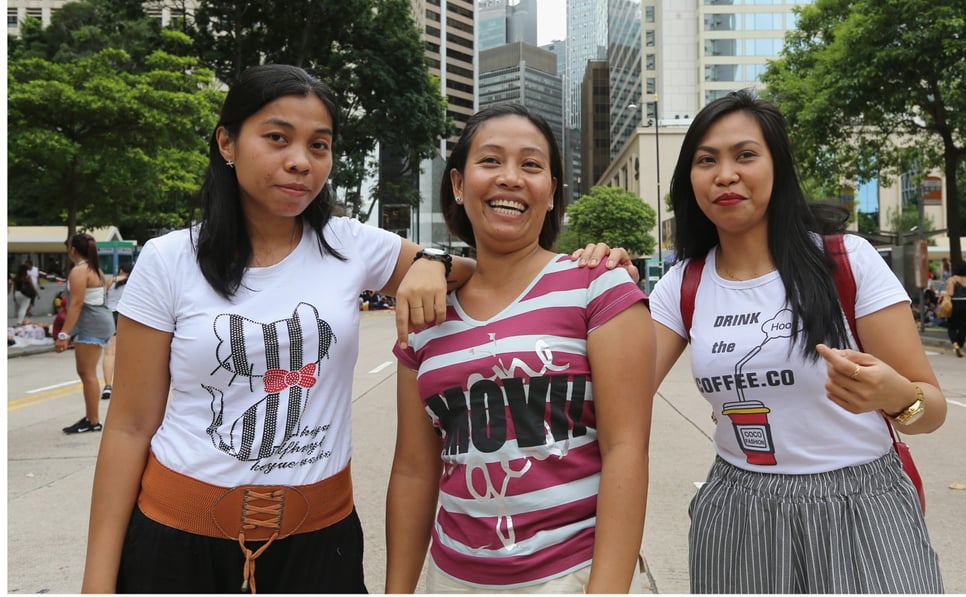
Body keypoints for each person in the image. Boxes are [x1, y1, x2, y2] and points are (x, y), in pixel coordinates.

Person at [79, 65, 625, 594]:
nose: (300, 161)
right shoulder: (168, 260)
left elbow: (486, 272)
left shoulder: (349, 244)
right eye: (277, 138)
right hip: (176, 541)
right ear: (227, 142)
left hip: (318, 544)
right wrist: (96, 584)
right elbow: (129, 427)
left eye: (319, 145)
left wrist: (435, 262)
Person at [648, 90, 946, 593]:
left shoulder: (847, 261)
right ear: (690, 179)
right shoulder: (681, 285)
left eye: (745, 155)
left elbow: (931, 410)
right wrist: (601, 282)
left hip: (864, 508)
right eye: (706, 160)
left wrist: (895, 395)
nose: (725, 174)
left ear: (777, 166)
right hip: (738, 515)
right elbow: (620, 392)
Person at [385, 104, 655, 594]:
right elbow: (413, 471)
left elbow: (626, 452)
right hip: (452, 579)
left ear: (551, 192)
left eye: (530, 165)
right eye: (490, 161)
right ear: (458, 184)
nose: (510, 177)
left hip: (569, 576)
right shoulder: (426, 317)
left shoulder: (598, 287)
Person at [57, 233, 116, 434]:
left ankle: (93, 421)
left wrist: (63, 334)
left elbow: (76, 304)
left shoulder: (80, 270)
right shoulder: (95, 269)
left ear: (72, 249)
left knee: (87, 373)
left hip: (90, 325)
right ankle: (91, 417)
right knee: (87, 373)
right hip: (100, 322)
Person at [99, 263, 132, 400]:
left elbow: (102, 296)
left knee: (109, 353)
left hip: (110, 315)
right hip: (126, 317)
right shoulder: (133, 282)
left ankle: (108, 385)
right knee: (127, 353)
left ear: (120, 270)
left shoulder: (110, 281)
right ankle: (125, 385)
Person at [945, 259, 966, 357]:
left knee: (952, 326)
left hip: (955, 303)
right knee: (963, 327)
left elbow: (950, 293)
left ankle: (955, 344)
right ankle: (960, 344)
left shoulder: (952, 279)